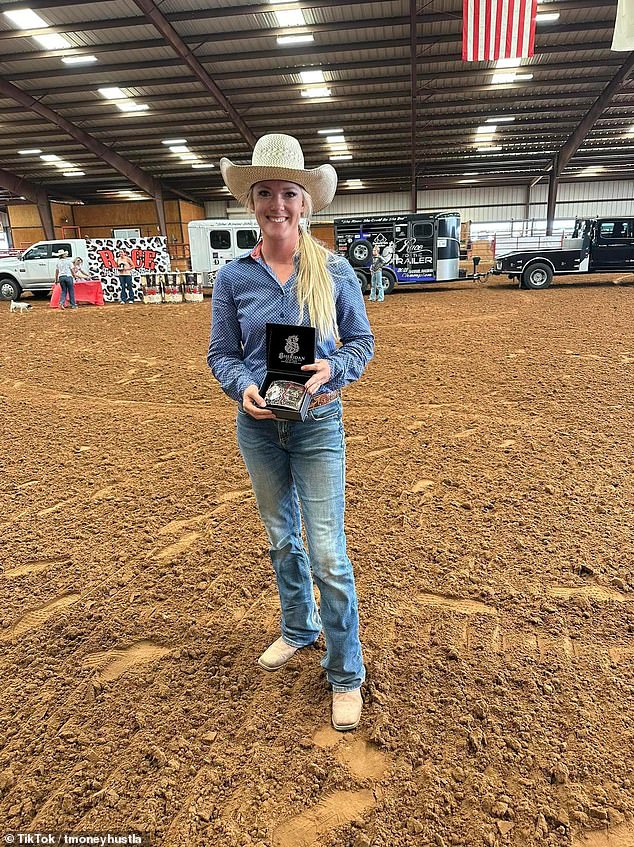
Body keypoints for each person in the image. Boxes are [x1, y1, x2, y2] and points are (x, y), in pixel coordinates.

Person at [207, 134, 374, 732]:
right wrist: (240, 387)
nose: (277, 205)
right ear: (252, 203)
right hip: (259, 429)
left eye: (288, 194)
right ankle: (298, 628)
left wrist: (336, 367)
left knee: (329, 551)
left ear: (306, 203)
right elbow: (222, 354)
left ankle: (346, 670)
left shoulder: (332, 270)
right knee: (282, 538)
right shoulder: (233, 279)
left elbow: (362, 342)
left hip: (318, 423)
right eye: (265, 194)